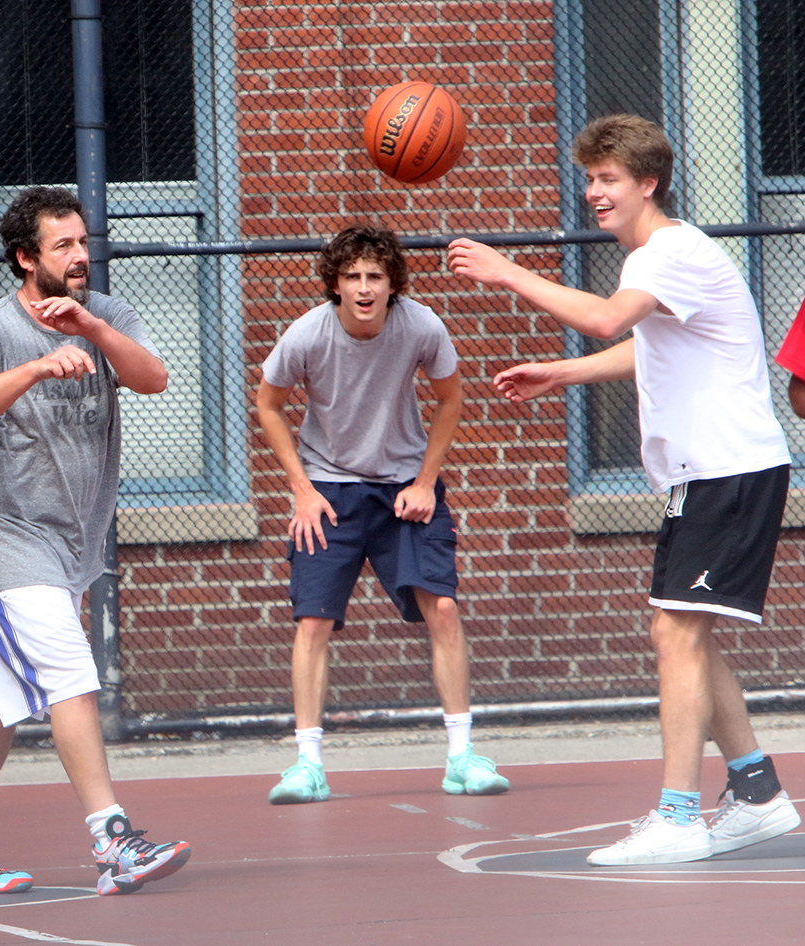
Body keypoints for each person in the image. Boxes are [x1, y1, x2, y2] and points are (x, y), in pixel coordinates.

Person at [447, 114, 800, 865]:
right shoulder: (668, 258)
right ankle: (759, 795)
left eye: (608, 180)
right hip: (706, 472)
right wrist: (561, 373)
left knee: (677, 633)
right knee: (686, 633)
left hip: (727, 469)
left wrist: (508, 272)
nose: (594, 194)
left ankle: (677, 816)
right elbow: (649, 344)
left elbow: (608, 319)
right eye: (589, 180)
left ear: (648, 184)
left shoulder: (667, 250)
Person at [0, 186, 191, 897]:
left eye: (82, 241)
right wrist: (36, 366)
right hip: (1, 535)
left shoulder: (108, 317)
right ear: (25, 257)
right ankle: (112, 840)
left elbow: (153, 378)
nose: (79, 255)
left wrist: (90, 332)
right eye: (62, 245)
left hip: (67, 543)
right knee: (70, 673)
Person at [256, 225, 509, 805]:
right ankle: (307, 766)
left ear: (393, 283)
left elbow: (451, 400)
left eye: (375, 276)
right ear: (335, 285)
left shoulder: (420, 325)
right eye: (352, 277)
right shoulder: (306, 335)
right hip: (329, 491)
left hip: (403, 490)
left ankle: (462, 757)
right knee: (312, 621)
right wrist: (301, 489)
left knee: (441, 606)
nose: (364, 288)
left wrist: (425, 481)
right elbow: (268, 404)